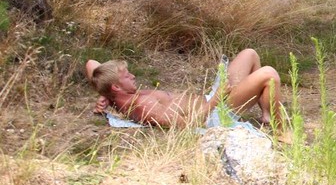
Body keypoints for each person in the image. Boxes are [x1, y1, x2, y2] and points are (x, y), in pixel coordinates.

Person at [87, 49, 288, 134]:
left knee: (249, 54)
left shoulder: (115, 95)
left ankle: (266, 115)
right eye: (126, 76)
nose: (132, 76)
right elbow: (190, 124)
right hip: (217, 112)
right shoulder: (144, 107)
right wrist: (216, 100)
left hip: (211, 100)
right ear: (117, 86)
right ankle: (281, 132)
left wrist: (104, 94)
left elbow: (91, 65)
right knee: (269, 74)